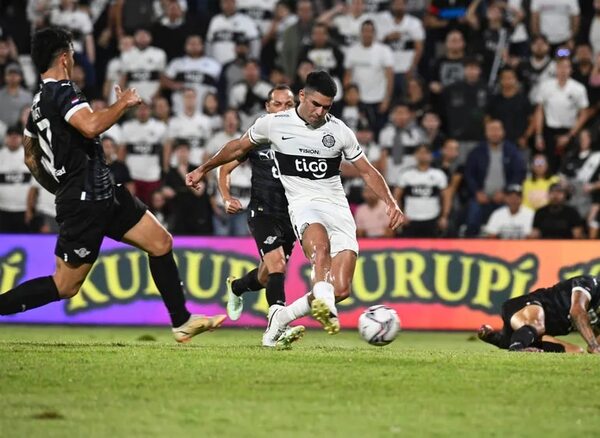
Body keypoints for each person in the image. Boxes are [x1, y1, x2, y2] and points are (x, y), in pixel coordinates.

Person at [0, 27, 225, 342]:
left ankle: (182, 321)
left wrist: (58, 187)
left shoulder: (37, 103)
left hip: (101, 190)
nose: (75, 59)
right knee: (66, 285)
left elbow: (30, 157)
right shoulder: (64, 90)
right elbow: (90, 126)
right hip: (84, 199)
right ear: (64, 58)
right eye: (73, 54)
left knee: (161, 242)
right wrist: (124, 104)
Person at [186, 71, 403, 342]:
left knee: (341, 289)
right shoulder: (274, 124)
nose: (320, 112)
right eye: (315, 104)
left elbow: (367, 171)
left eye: (327, 107)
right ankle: (313, 309)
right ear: (302, 96)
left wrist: (391, 202)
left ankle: (283, 316)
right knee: (319, 250)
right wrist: (202, 169)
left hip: (337, 207)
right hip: (302, 205)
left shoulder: (339, 131)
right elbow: (236, 148)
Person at [217, 85, 303, 348]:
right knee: (278, 265)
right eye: (277, 104)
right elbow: (225, 168)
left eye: (288, 104)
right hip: (262, 212)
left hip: (291, 215)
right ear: (267, 108)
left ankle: (237, 288)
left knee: (267, 275)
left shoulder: (303, 136)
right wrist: (226, 197)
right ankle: (277, 327)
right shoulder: (257, 137)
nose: (283, 109)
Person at [478, 275, 600, 353]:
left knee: (577, 351)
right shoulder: (588, 283)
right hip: (523, 306)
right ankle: (517, 347)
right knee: (537, 324)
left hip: (532, 331)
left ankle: (497, 338)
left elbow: (593, 340)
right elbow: (577, 312)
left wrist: (594, 345)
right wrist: (594, 346)